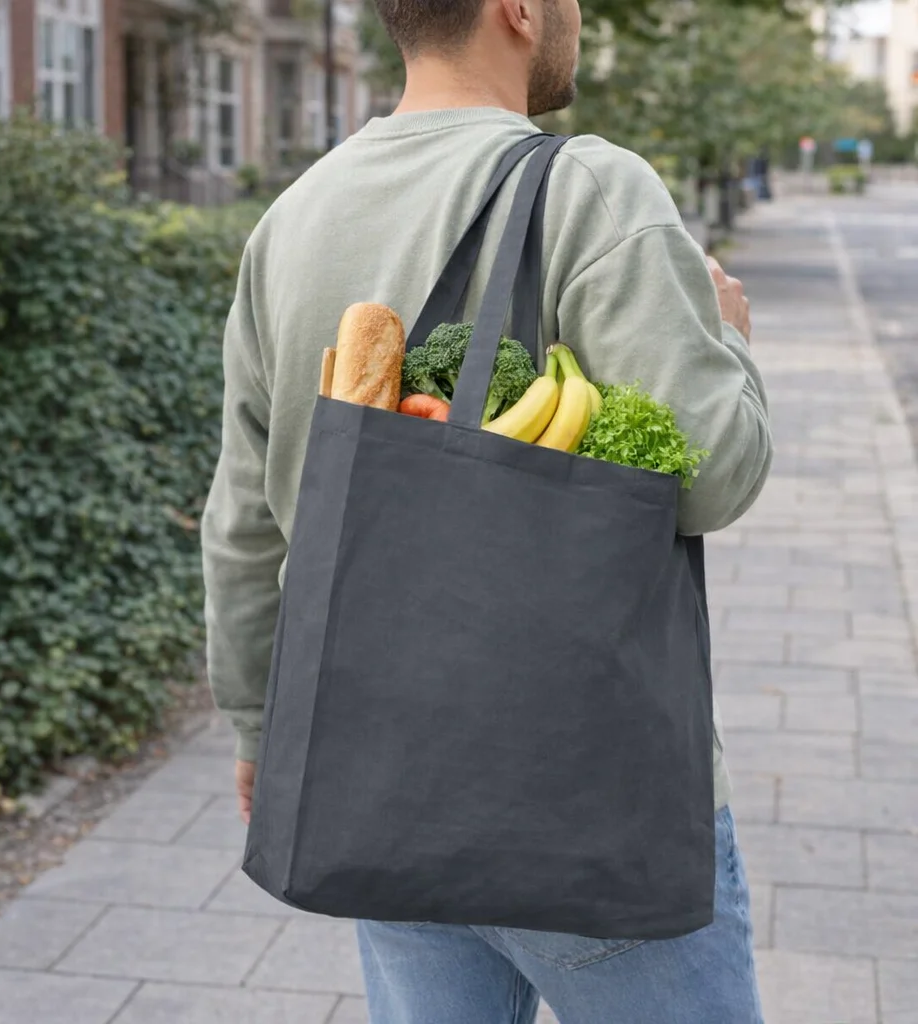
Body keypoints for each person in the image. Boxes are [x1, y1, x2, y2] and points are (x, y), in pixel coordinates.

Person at [201, 0, 772, 1020]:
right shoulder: (594, 189)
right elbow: (711, 475)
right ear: (518, 6)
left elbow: (244, 525)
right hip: (586, 802)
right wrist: (727, 335)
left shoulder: (292, 216)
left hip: (379, 779)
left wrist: (256, 724)